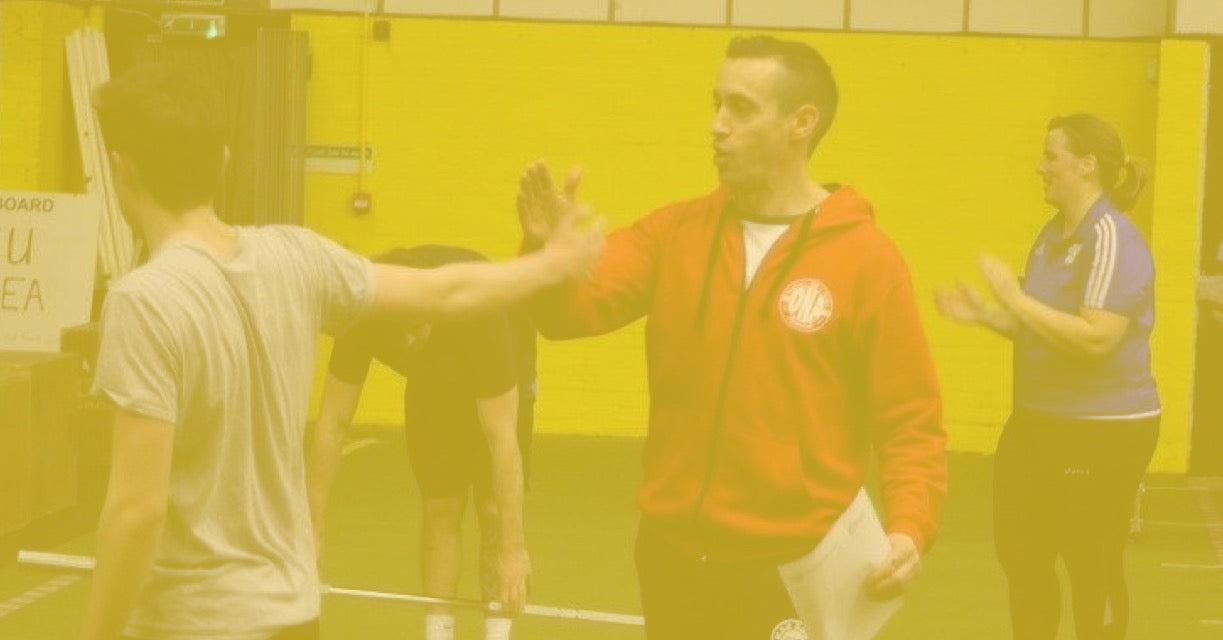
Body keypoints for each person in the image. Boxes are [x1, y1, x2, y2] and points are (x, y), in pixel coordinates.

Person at [80, 62, 601, 640]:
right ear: (223, 162)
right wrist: (551, 263)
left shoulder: (142, 302)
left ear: (122, 170)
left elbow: (137, 509)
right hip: (294, 617)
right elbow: (447, 291)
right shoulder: (295, 257)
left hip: (194, 624)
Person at [516, 35, 947, 639]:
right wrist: (543, 252)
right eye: (716, 104)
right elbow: (567, 316)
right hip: (669, 554)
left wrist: (909, 527)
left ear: (801, 123)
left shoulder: (867, 260)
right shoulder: (674, 232)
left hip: (791, 566)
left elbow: (911, 419)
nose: (717, 125)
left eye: (741, 108)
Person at [935, 113, 1159, 639]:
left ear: (1086, 165)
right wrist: (988, 315)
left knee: (1091, 560)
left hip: (1103, 429)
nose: (1040, 167)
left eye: (1050, 156)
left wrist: (1014, 299)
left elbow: (1097, 338)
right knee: (1022, 552)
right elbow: (1041, 325)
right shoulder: (1050, 235)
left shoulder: (1112, 236)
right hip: (1038, 422)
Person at [307, 245, 535, 640]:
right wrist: (311, 530)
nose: (409, 341)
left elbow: (502, 442)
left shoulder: (479, 316)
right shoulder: (363, 313)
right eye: (398, 333)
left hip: (499, 364)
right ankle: (438, 632)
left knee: (492, 510)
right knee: (440, 508)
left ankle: (497, 633)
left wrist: (513, 549)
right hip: (433, 381)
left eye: (417, 328)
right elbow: (332, 423)